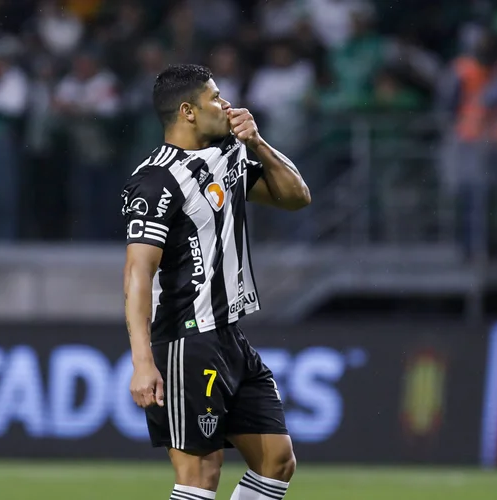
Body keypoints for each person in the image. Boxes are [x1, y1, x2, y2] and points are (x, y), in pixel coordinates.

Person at [122, 64, 310, 500]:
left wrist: (258, 143)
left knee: (277, 462)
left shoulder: (229, 153)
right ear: (187, 111)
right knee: (201, 474)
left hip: (230, 337)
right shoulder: (156, 182)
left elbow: (297, 198)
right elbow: (137, 274)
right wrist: (142, 361)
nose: (227, 105)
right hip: (187, 340)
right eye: (216, 98)